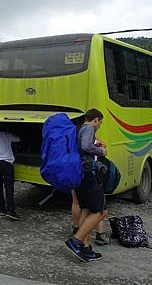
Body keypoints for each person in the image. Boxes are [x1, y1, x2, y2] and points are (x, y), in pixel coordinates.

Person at [65, 109, 106, 262]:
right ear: (95, 120)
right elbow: (86, 146)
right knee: (99, 211)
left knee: (86, 210)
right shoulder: (88, 128)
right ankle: (75, 241)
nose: (99, 126)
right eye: (100, 123)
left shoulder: (78, 129)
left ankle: (85, 247)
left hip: (78, 173)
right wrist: (101, 151)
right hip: (87, 173)